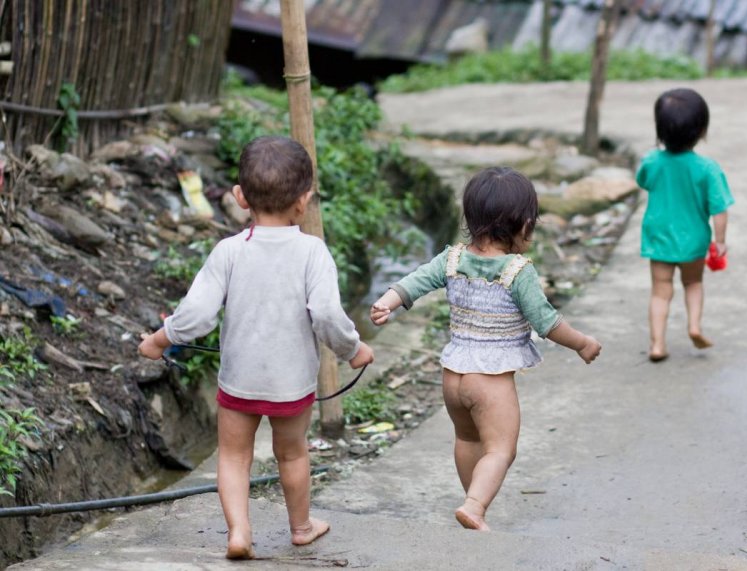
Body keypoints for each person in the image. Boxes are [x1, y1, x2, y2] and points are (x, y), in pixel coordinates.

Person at [138, 136, 374, 559]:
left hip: (239, 382)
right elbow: (325, 313)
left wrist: (158, 341)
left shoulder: (228, 252)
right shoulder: (312, 252)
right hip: (291, 385)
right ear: (304, 202)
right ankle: (301, 527)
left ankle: (239, 532)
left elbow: (196, 314)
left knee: (232, 456)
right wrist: (352, 350)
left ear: (240, 197)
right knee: (292, 453)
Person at [370, 167, 601, 531]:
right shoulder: (516, 270)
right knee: (500, 449)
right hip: (490, 381)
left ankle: (472, 497)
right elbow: (547, 322)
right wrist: (582, 343)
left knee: (467, 437)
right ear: (525, 224)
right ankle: (475, 505)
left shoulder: (451, 259)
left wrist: (386, 302)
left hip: (453, 376)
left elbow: (414, 281)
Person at [637, 88, 734, 362]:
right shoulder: (708, 169)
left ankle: (657, 344)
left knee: (660, 290)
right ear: (702, 130)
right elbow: (719, 209)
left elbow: (643, 181)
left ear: (660, 131)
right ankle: (694, 326)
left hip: (659, 239)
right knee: (692, 282)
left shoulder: (652, 161)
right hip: (694, 240)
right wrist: (721, 240)